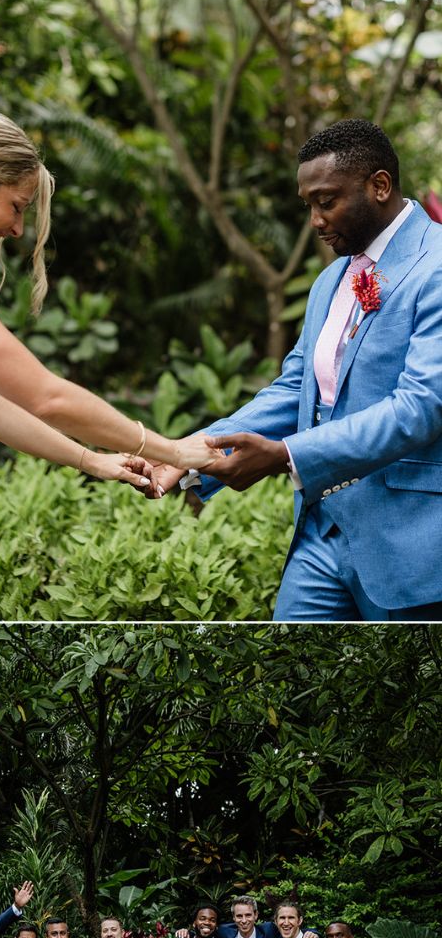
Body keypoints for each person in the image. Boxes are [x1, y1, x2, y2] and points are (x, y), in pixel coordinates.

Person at [0, 103, 215, 621]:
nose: (19, 229)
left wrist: (92, 461)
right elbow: (47, 395)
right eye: (18, 206)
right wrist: (174, 451)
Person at [149, 120, 442, 620]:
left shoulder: (435, 266)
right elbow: (296, 390)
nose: (314, 220)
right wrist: (193, 451)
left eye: (326, 201)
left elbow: (422, 407)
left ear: (379, 185)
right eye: (307, 204)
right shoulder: (331, 280)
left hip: (407, 542)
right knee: (288, 684)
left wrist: (286, 455)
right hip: (319, 536)